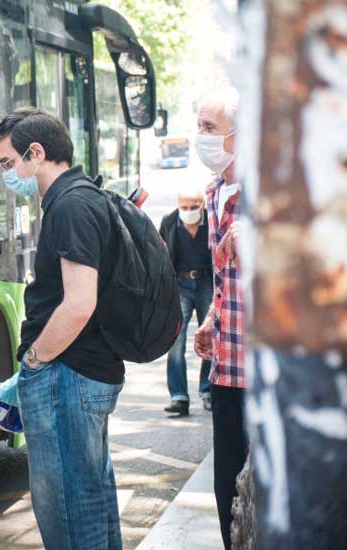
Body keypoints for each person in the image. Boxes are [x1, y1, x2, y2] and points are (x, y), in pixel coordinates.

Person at [0, 107, 124, 550]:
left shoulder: (69, 205)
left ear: (37, 152)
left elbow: (79, 303)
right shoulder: (81, 197)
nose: (7, 175)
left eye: (9, 163)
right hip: (79, 374)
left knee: (68, 511)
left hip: (68, 377)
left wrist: (32, 362)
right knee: (88, 502)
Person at [192, 89, 247, 550]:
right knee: (226, 486)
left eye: (209, 128)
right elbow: (226, 278)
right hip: (227, 367)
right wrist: (211, 318)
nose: (201, 137)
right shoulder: (213, 193)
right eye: (200, 127)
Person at [159, 189, 213, 416]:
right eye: (185, 207)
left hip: (206, 283)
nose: (189, 211)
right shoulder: (170, 222)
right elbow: (160, 254)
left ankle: (208, 390)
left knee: (210, 337)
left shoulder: (211, 221)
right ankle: (179, 396)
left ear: (202, 205)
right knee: (175, 340)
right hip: (180, 285)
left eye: (194, 207)